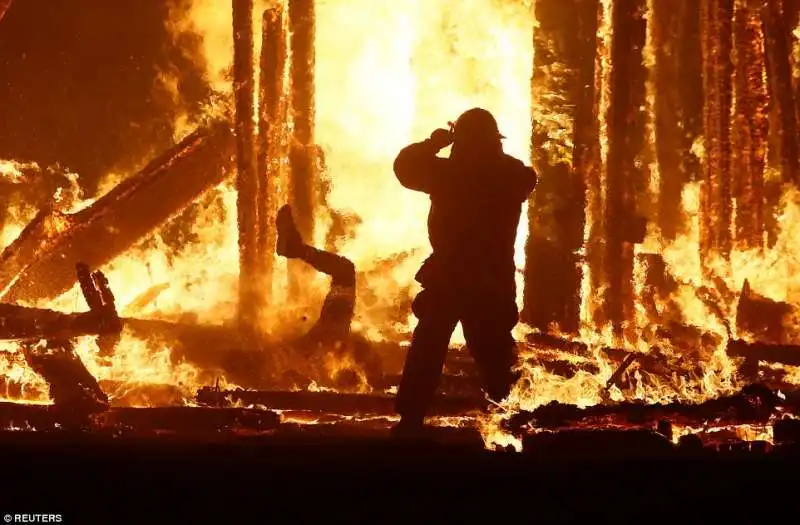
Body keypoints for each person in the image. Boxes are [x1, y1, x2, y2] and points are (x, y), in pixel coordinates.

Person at [392, 108, 537, 435]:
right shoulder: (512, 176)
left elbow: (405, 168)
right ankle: (512, 417)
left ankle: (411, 420)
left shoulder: (446, 174)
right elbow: (526, 176)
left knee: (429, 350)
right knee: (494, 353)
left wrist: (434, 143)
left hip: (450, 277)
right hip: (490, 280)